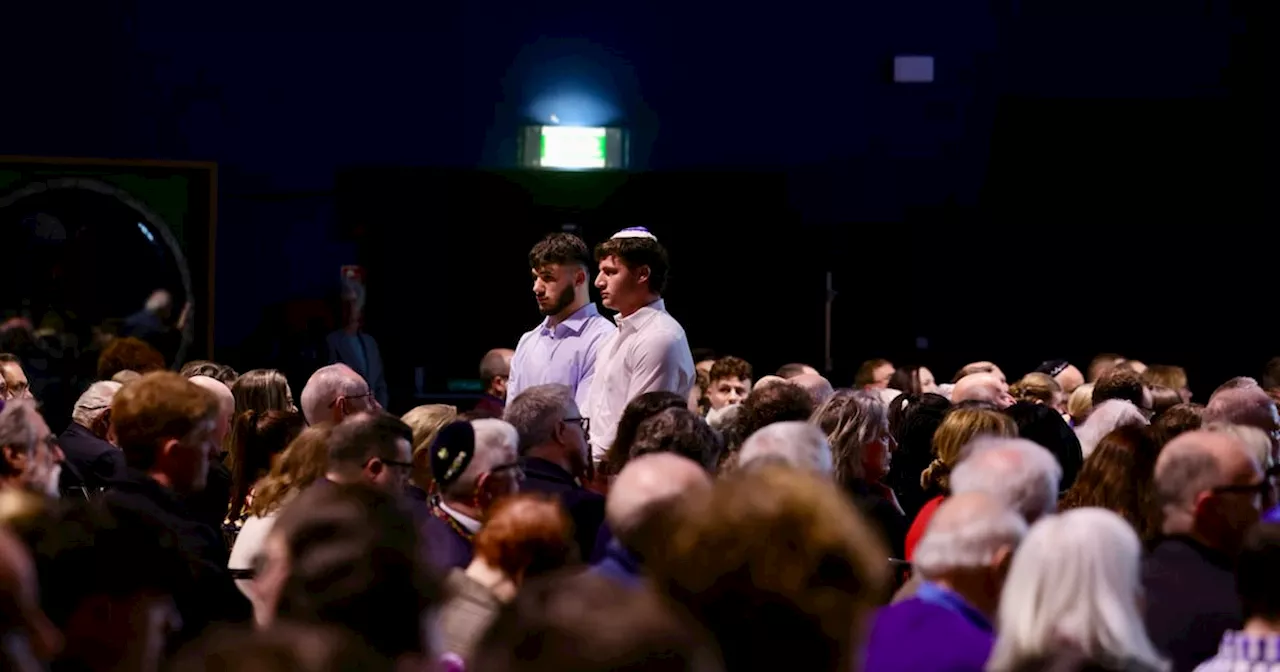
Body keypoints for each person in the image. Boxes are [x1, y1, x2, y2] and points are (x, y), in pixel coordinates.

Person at [585, 227, 695, 461]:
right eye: (599, 272)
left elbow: (638, 425)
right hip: (601, 470)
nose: (598, 282)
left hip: (631, 473)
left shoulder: (660, 336)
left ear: (642, 274)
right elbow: (596, 412)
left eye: (610, 272)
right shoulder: (615, 336)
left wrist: (590, 461)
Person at [506, 233, 616, 414]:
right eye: (535, 278)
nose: (537, 288)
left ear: (579, 279)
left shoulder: (604, 339)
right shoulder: (527, 341)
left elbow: (586, 422)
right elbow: (512, 417)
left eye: (548, 277)